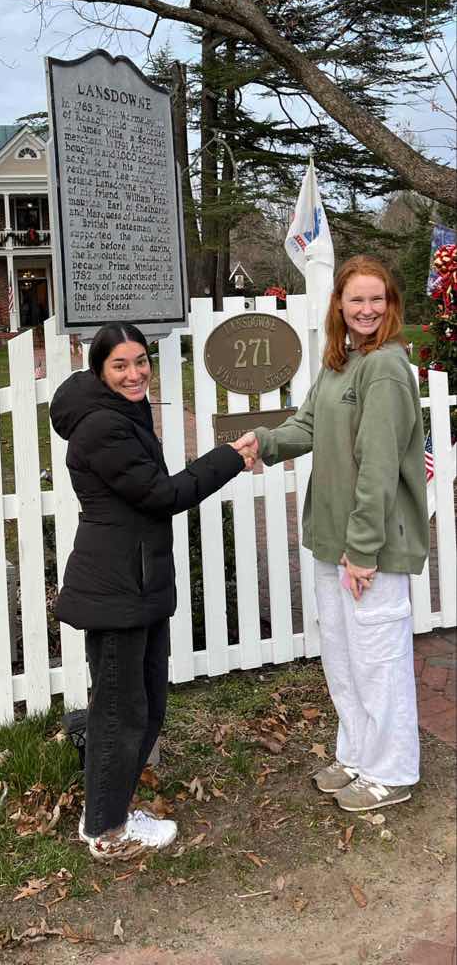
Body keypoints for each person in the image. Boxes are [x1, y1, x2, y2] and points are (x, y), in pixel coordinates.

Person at [50, 321, 256, 862]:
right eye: (120, 365)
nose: (135, 373)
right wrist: (229, 457)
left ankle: (110, 809)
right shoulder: (102, 427)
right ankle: (106, 830)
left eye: (141, 361)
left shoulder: (121, 411)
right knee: (121, 710)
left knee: (142, 704)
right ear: (100, 370)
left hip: (134, 580)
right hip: (117, 586)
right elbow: (161, 494)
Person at [245, 255, 429, 813]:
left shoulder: (386, 367)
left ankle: (392, 770)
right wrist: (264, 442)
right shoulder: (341, 360)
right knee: (344, 658)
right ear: (340, 306)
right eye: (356, 300)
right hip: (331, 538)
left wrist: (363, 549)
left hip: (369, 546)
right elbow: (307, 424)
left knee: (378, 661)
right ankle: (358, 755)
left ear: (391, 305)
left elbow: (379, 466)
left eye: (377, 299)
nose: (367, 310)